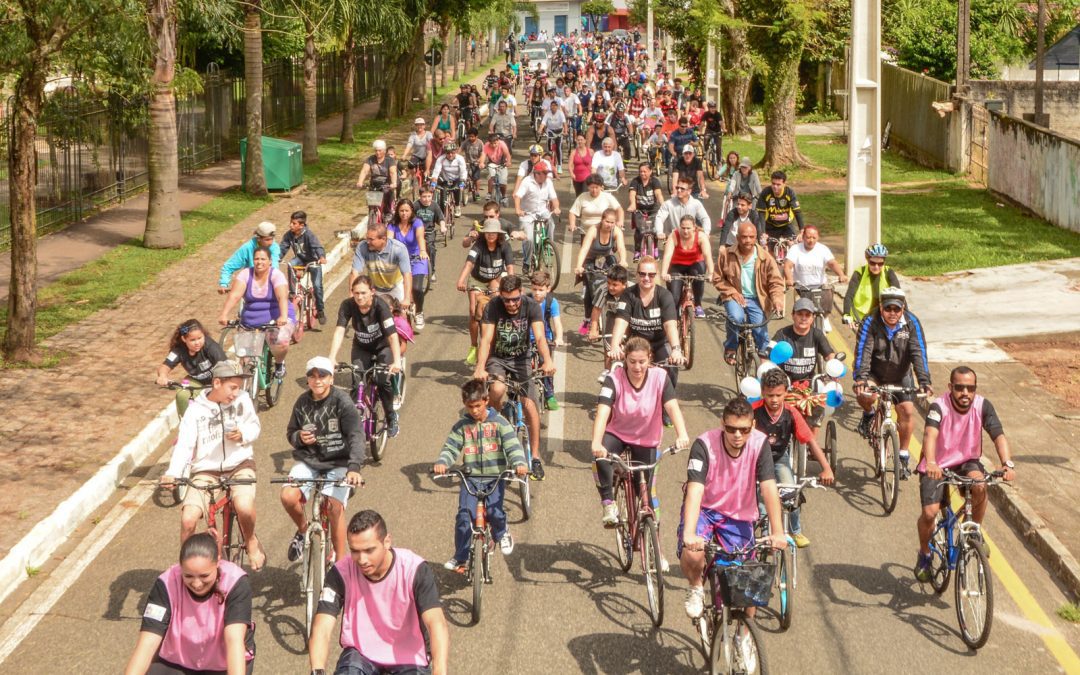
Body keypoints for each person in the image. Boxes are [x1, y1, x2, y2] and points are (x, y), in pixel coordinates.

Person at [678, 397, 786, 620]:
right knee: (693, 551)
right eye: (731, 429)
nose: (738, 435)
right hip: (705, 510)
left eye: (744, 430)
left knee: (749, 583)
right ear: (722, 424)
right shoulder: (704, 445)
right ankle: (696, 587)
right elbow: (695, 490)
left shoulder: (760, 443)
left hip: (739, 515)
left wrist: (778, 531)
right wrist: (689, 533)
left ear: (753, 426)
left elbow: (768, 487)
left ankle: (746, 638)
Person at [309, 510, 449, 675]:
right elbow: (322, 627)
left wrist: (440, 671)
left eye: (369, 550)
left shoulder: (415, 569)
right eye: (355, 551)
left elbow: (436, 623)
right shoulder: (340, 572)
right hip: (361, 654)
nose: (362, 560)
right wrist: (317, 670)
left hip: (409, 656)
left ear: (387, 541)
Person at [159, 361, 265, 570]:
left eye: (239, 387)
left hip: (239, 464)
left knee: (244, 507)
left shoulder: (243, 400)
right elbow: (185, 445)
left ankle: (251, 540)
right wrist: (173, 473)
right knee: (189, 519)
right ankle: (186, 568)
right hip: (205, 470)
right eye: (232, 387)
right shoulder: (195, 410)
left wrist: (243, 434)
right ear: (217, 383)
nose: (236, 393)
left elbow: (254, 426)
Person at [913, 366, 1016, 581]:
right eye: (959, 388)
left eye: (970, 388)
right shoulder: (938, 406)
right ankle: (924, 553)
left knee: (980, 486)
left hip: (967, 461)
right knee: (930, 514)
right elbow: (929, 435)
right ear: (950, 387)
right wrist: (931, 462)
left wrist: (1007, 464)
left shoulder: (983, 405)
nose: (965, 393)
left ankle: (975, 530)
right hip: (937, 465)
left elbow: (998, 435)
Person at [591, 337, 690, 536]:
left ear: (650, 359)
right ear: (625, 360)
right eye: (632, 361)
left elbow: (672, 406)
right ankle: (609, 502)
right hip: (618, 434)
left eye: (642, 362)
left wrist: (682, 434)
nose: (637, 367)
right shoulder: (614, 378)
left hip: (647, 440)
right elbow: (603, 411)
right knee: (599, 458)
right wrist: (596, 442)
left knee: (647, 497)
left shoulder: (660, 377)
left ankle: (656, 549)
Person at [124, 533, 254, 675]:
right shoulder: (166, 583)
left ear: (218, 562)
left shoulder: (236, 582)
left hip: (222, 663)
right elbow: (147, 644)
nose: (197, 584)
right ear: (180, 567)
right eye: (188, 576)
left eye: (204, 576)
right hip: (177, 660)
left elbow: (234, 640)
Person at [435, 379, 530, 569]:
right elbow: (451, 447)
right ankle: (460, 557)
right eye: (470, 407)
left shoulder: (500, 423)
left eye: (478, 406)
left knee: (495, 512)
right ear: (465, 405)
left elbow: (513, 446)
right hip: (470, 479)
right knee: (464, 516)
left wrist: (519, 463)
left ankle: (502, 533)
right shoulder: (462, 426)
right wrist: (442, 462)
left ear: (486, 400)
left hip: (495, 477)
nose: (474, 411)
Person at [281, 356, 365, 564]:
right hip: (309, 461)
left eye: (322, 376)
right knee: (287, 496)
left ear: (331, 379)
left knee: (335, 507)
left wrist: (354, 468)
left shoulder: (343, 402)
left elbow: (356, 435)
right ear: (307, 379)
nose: (317, 380)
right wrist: (298, 437)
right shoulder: (302, 402)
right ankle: (302, 531)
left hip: (338, 463)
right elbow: (291, 432)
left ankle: (340, 563)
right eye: (312, 376)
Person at [473, 275, 557, 478]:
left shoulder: (531, 305)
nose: (511, 304)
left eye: (515, 299)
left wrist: (547, 360)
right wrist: (480, 367)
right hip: (498, 359)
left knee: (530, 406)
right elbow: (485, 340)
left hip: (522, 360)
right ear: (500, 296)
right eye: (506, 299)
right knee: (498, 389)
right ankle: (496, 428)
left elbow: (539, 337)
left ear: (521, 293)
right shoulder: (493, 306)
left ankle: (535, 458)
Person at [752, 368, 835, 548]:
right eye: (769, 395)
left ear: (786, 393)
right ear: (762, 393)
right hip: (756, 462)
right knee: (760, 501)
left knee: (792, 493)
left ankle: (796, 531)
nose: (774, 400)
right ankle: (762, 531)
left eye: (778, 395)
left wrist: (826, 468)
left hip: (779, 458)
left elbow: (810, 441)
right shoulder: (753, 412)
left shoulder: (791, 413)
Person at [853, 286, 932, 475]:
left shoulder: (912, 323)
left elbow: (918, 352)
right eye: (888, 309)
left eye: (897, 309)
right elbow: (864, 351)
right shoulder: (870, 321)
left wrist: (924, 380)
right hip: (874, 372)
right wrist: (861, 379)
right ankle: (869, 415)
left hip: (900, 374)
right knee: (867, 396)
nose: (892, 313)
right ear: (881, 307)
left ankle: (903, 454)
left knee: (907, 411)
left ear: (903, 309)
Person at [328, 275, 404, 438]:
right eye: (356, 293)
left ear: (372, 292)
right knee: (357, 382)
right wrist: (331, 357)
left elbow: (392, 336)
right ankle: (351, 423)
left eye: (363, 293)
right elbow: (340, 330)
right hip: (361, 348)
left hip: (383, 347)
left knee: (383, 380)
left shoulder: (381, 307)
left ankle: (391, 417)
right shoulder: (347, 305)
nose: (359, 297)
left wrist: (397, 361)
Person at [713, 221, 785, 365]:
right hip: (734, 297)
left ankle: (764, 364)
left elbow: (776, 282)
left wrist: (777, 300)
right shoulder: (726, 255)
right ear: (737, 237)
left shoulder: (766, 257)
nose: (748, 241)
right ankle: (731, 348)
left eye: (751, 237)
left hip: (757, 299)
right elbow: (717, 278)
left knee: (759, 328)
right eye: (744, 237)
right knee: (736, 317)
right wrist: (732, 291)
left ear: (756, 237)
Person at [607, 256, 684, 390]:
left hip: (659, 343)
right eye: (642, 274)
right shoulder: (627, 295)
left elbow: (670, 325)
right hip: (636, 344)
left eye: (651, 275)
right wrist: (614, 346)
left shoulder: (665, 296)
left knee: (671, 369)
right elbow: (621, 322)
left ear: (656, 275)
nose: (646, 278)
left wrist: (676, 350)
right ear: (636, 275)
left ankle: (665, 407)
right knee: (620, 371)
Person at [219, 246, 295, 378]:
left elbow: (282, 297)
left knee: (281, 343)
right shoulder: (245, 274)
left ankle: (279, 363)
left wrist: (283, 316)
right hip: (250, 320)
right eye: (256, 259)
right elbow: (235, 295)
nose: (259, 262)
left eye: (263, 259)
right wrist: (224, 314)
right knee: (244, 356)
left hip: (275, 318)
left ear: (270, 261)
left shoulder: (276, 275)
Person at [772, 297, 841, 426]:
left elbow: (829, 355)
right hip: (785, 384)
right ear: (793, 315)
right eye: (800, 314)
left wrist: (834, 370)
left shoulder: (817, 335)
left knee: (814, 418)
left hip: (809, 384)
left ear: (812, 318)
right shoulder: (782, 334)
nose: (803, 318)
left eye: (807, 315)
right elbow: (768, 353)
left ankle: (811, 443)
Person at [458, 218, 516, 365]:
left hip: (495, 279)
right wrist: (461, 280)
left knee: (499, 305)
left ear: (499, 234)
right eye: (488, 233)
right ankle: (474, 346)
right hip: (477, 279)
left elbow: (510, 268)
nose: (490, 235)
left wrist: (511, 284)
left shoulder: (505, 246)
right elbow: (469, 264)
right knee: (473, 311)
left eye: (494, 233)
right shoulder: (478, 246)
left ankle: (498, 341)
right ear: (484, 234)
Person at [156, 319, 228, 417]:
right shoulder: (178, 351)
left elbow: (225, 366)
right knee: (182, 395)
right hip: (196, 382)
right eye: (192, 340)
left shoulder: (211, 346)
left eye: (200, 338)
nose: (197, 343)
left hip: (217, 380)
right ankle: (186, 422)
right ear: (184, 339)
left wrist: (220, 383)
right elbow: (165, 366)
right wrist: (162, 376)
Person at [576, 208, 628, 337]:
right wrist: (578, 266)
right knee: (591, 291)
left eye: (612, 222)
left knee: (616, 280)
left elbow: (621, 247)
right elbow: (584, 249)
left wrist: (623, 260)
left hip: (607, 258)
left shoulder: (616, 231)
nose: (609, 225)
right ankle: (588, 319)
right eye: (607, 222)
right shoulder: (593, 230)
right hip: (591, 260)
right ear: (602, 220)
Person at [784, 224, 847, 323]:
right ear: (803, 237)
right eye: (808, 237)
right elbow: (788, 265)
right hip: (802, 288)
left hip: (820, 287)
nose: (811, 240)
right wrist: (789, 279)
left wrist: (841, 274)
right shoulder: (795, 249)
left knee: (826, 307)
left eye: (814, 237)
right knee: (801, 315)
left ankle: (824, 319)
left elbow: (832, 263)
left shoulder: (823, 249)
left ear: (818, 238)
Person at [660, 215, 715, 319]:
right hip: (677, 265)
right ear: (679, 227)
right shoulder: (674, 236)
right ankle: (673, 320)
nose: (685, 231)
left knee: (699, 277)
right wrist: (664, 272)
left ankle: (698, 304)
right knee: (675, 297)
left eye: (688, 228)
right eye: (683, 228)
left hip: (695, 264)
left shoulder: (701, 236)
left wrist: (711, 273)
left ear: (694, 227)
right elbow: (667, 255)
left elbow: (707, 256)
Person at [387, 201, 430, 331]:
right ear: (397, 212)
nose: (404, 213)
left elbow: (420, 237)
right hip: (399, 260)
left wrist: (422, 250)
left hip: (416, 258)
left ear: (411, 211)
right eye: (401, 211)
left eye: (406, 211)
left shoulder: (417, 223)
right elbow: (389, 241)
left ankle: (419, 312)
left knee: (416, 288)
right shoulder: (392, 225)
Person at [348, 222, 413, 307]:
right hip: (374, 288)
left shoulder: (399, 249)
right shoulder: (362, 247)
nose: (367, 242)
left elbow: (407, 275)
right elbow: (354, 273)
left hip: (395, 287)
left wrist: (407, 299)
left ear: (383, 239)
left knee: (401, 314)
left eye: (371, 239)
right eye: (367, 238)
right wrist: (352, 294)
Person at [280, 210, 327, 324]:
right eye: (290, 222)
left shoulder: (309, 235)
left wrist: (321, 257)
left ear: (302, 225)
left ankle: (320, 310)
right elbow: (282, 248)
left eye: (294, 223)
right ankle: (292, 292)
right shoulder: (288, 235)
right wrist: (276, 258)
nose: (291, 225)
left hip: (313, 261)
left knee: (317, 286)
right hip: (300, 259)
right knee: (291, 264)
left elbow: (317, 247)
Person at [513, 160, 561, 270]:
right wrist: (518, 209)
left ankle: (548, 244)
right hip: (527, 213)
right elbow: (518, 197)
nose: (546, 175)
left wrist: (557, 207)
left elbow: (554, 198)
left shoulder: (548, 182)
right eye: (544, 173)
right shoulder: (527, 181)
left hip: (543, 211)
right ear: (537, 173)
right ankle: (527, 261)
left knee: (551, 223)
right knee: (528, 238)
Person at [530, 270, 565, 411]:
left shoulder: (552, 302)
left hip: (545, 339)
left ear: (548, 289)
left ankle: (549, 395)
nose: (537, 293)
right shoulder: (526, 300)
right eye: (534, 289)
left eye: (541, 290)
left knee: (547, 365)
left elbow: (557, 322)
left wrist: (559, 338)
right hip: (527, 338)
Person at [843, 243, 901, 328]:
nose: (876, 267)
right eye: (872, 263)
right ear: (867, 260)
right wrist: (847, 314)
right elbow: (849, 296)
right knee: (865, 340)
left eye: (880, 264)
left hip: (884, 316)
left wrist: (906, 315)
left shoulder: (888, 272)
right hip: (862, 319)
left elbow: (899, 295)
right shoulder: (859, 273)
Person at [218, 222, 281, 294]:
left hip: (269, 285)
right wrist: (224, 283)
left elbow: (274, 267)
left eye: (272, 239)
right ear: (258, 238)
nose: (271, 242)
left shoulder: (274, 247)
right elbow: (229, 266)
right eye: (267, 240)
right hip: (250, 287)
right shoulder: (247, 247)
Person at [756, 170, 805, 241]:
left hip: (787, 225)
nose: (775, 187)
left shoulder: (790, 192)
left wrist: (802, 230)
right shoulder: (765, 192)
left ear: (784, 184)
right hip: (770, 226)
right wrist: (763, 232)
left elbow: (797, 211)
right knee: (768, 249)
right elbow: (761, 213)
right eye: (773, 184)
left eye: (778, 184)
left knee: (792, 245)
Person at [413, 186, 446, 286]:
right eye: (424, 197)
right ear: (419, 196)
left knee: (431, 249)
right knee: (413, 249)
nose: (426, 199)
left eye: (429, 196)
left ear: (432, 196)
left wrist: (442, 227)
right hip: (416, 232)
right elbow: (410, 218)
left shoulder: (434, 206)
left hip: (429, 232)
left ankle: (432, 271)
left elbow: (440, 218)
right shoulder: (416, 205)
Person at [356, 140, 398, 217]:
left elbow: (393, 172)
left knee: (387, 200)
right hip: (374, 186)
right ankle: (372, 216)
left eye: (380, 150)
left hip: (386, 186)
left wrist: (393, 183)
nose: (377, 153)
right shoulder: (370, 159)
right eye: (376, 150)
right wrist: (360, 182)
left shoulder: (390, 160)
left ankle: (388, 214)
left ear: (384, 151)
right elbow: (365, 171)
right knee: (371, 205)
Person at [430, 141, 467, 219]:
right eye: (448, 153)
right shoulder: (441, 159)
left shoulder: (460, 159)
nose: (450, 155)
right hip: (446, 180)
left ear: (455, 152)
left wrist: (462, 181)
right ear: (445, 153)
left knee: (457, 190)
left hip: (457, 179)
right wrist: (433, 182)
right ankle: (442, 214)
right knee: (443, 197)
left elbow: (463, 171)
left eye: (452, 153)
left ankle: (457, 206)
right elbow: (436, 171)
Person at [479, 132, 512, 205]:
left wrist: (508, 162)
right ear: (489, 142)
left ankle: (503, 196)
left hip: (502, 163)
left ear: (498, 141)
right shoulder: (486, 146)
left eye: (495, 143)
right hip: (492, 163)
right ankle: (489, 192)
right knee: (491, 176)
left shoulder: (502, 144)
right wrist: (481, 163)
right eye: (492, 143)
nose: (493, 145)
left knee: (503, 181)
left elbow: (507, 154)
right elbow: (483, 155)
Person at [538, 99, 569, 173]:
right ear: (550, 107)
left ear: (557, 107)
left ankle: (559, 166)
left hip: (559, 131)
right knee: (548, 148)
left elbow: (564, 123)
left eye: (555, 106)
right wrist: (539, 130)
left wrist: (565, 131)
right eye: (552, 106)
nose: (553, 108)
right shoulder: (548, 113)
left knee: (558, 148)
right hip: (550, 131)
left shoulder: (560, 113)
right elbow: (543, 123)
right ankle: (548, 164)